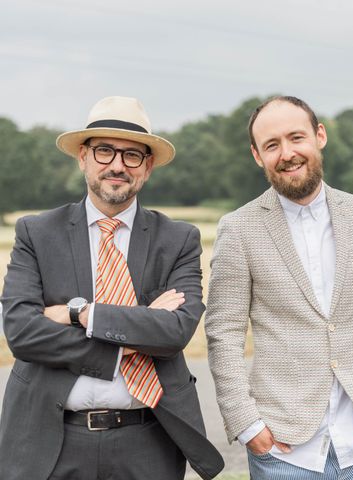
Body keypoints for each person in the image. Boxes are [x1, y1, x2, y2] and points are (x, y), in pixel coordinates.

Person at [0, 96, 224, 479]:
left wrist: (80, 314)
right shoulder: (37, 233)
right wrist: (135, 331)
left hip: (147, 442)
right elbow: (21, 333)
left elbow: (174, 332)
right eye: (105, 151)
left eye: (132, 156)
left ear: (147, 167)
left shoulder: (178, 240)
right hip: (49, 440)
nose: (117, 165)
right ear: (83, 157)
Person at [206, 96, 353, 479]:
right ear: (256, 155)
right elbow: (223, 335)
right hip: (283, 450)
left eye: (296, 138)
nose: (287, 154)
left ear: (319, 135)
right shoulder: (238, 228)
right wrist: (248, 425)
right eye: (271, 145)